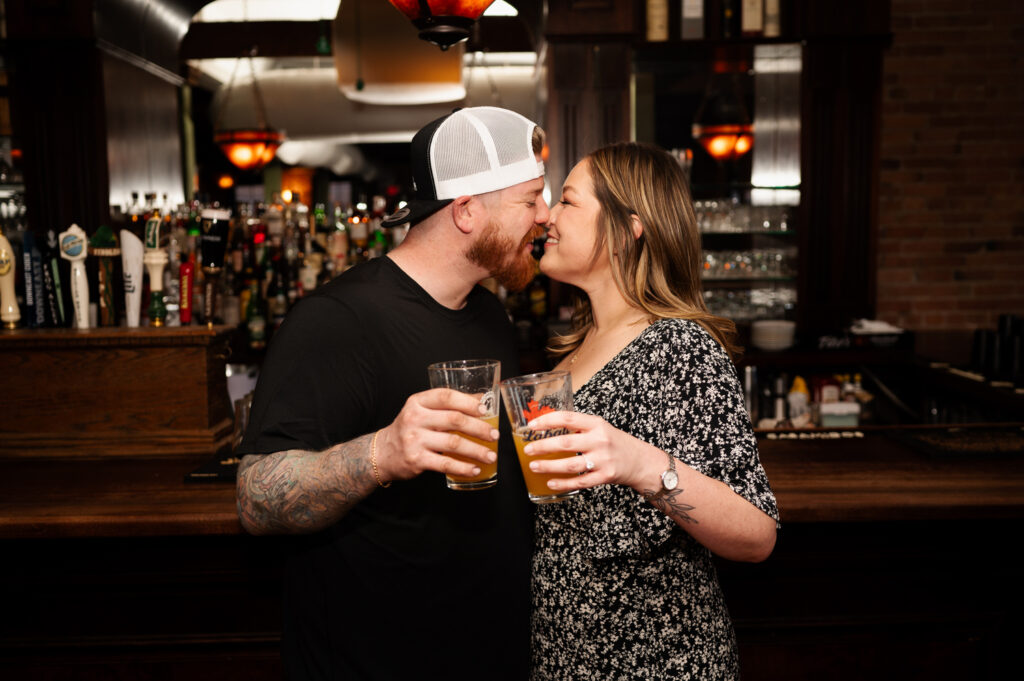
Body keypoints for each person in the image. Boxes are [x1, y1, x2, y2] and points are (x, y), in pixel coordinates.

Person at [235, 106, 550, 681]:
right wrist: (382, 453)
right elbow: (257, 498)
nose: (546, 217)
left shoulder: (486, 312)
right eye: (530, 200)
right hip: (377, 660)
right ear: (466, 211)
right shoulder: (336, 320)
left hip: (486, 650)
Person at [522, 142, 779, 679]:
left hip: (659, 658)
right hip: (568, 655)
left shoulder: (680, 347)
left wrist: (640, 464)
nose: (547, 216)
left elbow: (757, 536)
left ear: (627, 227)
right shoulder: (566, 356)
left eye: (567, 201)